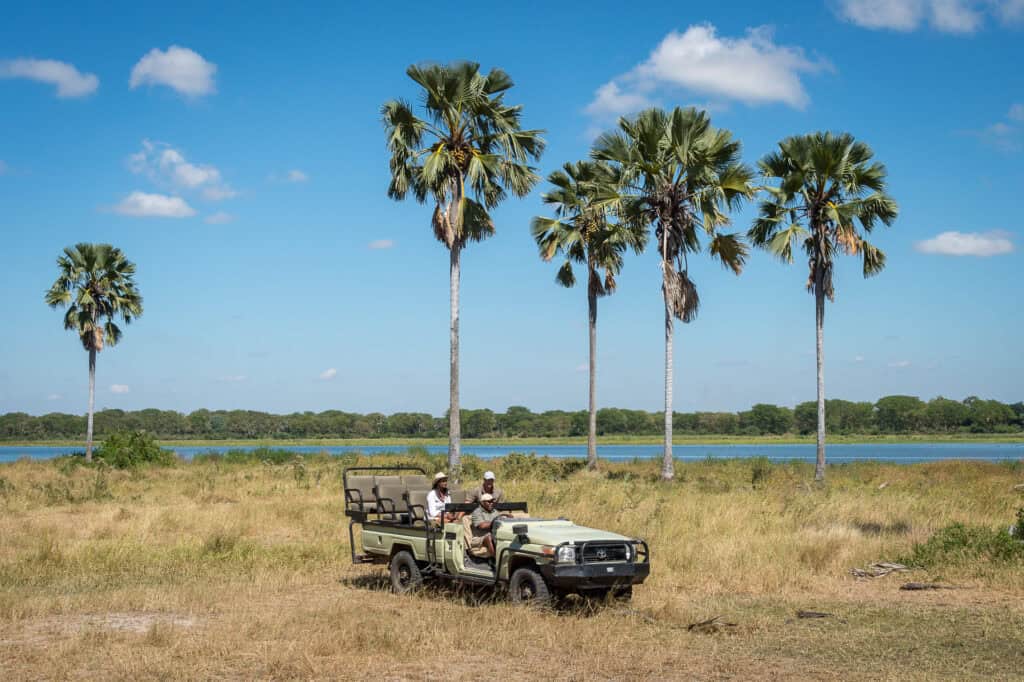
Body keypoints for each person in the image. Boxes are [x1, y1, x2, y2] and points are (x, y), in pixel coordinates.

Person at [470, 492, 510, 558]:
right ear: (482, 503)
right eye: (489, 502)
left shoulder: (494, 511)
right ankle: (495, 560)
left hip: (494, 534)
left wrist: (506, 518)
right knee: (489, 537)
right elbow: (482, 526)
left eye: (492, 501)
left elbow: (500, 519)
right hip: (479, 537)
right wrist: (496, 522)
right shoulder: (477, 512)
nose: (491, 503)